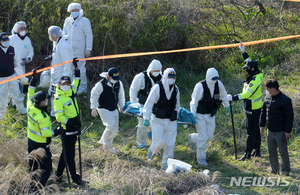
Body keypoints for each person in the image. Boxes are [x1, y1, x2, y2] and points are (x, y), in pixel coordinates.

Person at [27, 70, 62, 190]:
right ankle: (38, 189)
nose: (47, 101)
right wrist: (57, 131)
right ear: (42, 102)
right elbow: (46, 133)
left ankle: (30, 187)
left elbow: (29, 94)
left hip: (30, 142)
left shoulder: (30, 106)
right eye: (46, 100)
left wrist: (33, 80)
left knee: (32, 167)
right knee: (47, 169)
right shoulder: (43, 117)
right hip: (41, 145)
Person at [227, 43, 263, 161]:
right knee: (256, 129)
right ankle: (257, 151)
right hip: (251, 106)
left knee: (250, 131)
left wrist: (233, 97)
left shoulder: (256, 79)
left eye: (247, 69)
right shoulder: (254, 72)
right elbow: (248, 61)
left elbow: (247, 94)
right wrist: (243, 51)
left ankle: (247, 155)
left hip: (253, 108)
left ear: (252, 69)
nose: (246, 70)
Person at [189, 67, 230, 166]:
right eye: (213, 79)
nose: (215, 81)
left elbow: (224, 95)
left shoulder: (218, 84)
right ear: (208, 77)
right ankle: (201, 159)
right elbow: (193, 102)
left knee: (210, 136)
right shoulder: (200, 86)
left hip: (211, 114)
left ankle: (193, 138)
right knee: (203, 137)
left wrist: (227, 106)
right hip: (200, 115)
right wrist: (193, 116)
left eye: (216, 78)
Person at [143, 68, 180, 170]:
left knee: (170, 144)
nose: (172, 79)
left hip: (171, 120)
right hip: (158, 120)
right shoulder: (157, 88)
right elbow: (149, 103)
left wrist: (177, 117)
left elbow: (177, 105)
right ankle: (151, 153)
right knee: (158, 144)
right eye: (170, 77)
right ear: (164, 76)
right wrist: (146, 118)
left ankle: (165, 165)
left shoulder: (176, 89)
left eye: (174, 77)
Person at [53, 65, 84, 185]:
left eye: (68, 83)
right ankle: (75, 178)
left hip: (75, 126)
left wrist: (77, 70)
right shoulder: (58, 99)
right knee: (70, 155)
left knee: (66, 153)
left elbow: (77, 82)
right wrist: (70, 123)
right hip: (67, 129)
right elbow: (59, 117)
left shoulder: (71, 91)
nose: (66, 85)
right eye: (63, 84)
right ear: (59, 85)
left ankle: (58, 176)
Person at [260, 79, 293, 176]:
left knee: (283, 152)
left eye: (267, 89)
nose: (266, 91)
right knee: (271, 151)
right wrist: (262, 126)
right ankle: (274, 169)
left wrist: (288, 131)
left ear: (273, 89)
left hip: (281, 131)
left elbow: (289, 117)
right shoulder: (267, 99)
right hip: (270, 131)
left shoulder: (285, 100)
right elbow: (263, 114)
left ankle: (286, 170)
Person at [90, 67, 125, 153]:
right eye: (113, 78)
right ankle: (103, 141)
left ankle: (108, 146)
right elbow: (94, 95)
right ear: (108, 76)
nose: (115, 80)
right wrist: (93, 108)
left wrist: (121, 106)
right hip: (103, 108)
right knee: (111, 124)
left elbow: (121, 95)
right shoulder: (100, 84)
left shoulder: (118, 83)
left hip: (113, 108)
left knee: (115, 130)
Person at [129, 59, 162, 148]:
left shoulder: (161, 78)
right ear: (150, 69)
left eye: (158, 71)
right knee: (142, 123)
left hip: (155, 104)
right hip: (142, 104)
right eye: (155, 70)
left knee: (155, 123)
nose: (156, 72)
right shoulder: (141, 77)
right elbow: (133, 89)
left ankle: (152, 135)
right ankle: (141, 142)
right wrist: (133, 105)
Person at [63, 2, 93, 94]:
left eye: (76, 10)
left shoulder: (84, 21)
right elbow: (64, 34)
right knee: (70, 68)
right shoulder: (68, 20)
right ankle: (73, 86)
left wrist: (88, 49)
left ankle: (83, 87)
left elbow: (89, 35)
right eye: (72, 11)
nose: (74, 12)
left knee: (80, 68)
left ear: (79, 11)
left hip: (80, 49)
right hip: (69, 49)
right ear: (69, 11)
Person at [46, 26, 73, 117]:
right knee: (53, 93)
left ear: (53, 35)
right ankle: (54, 113)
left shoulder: (63, 45)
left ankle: (59, 114)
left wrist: (65, 78)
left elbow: (67, 63)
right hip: (55, 73)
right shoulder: (57, 42)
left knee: (59, 95)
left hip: (60, 75)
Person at [0, 32, 27, 118]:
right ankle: (2, 113)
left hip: (12, 76)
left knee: (16, 92)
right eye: (4, 41)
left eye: (7, 40)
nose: (6, 42)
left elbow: (17, 62)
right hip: (1, 78)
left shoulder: (12, 49)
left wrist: (22, 76)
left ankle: (21, 109)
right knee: (2, 95)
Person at [9, 21, 34, 92]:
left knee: (22, 82)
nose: (23, 30)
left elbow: (31, 51)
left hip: (22, 65)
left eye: (24, 28)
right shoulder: (11, 39)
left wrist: (28, 58)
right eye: (21, 28)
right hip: (12, 66)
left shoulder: (27, 40)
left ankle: (21, 97)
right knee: (12, 83)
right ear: (16, 29)